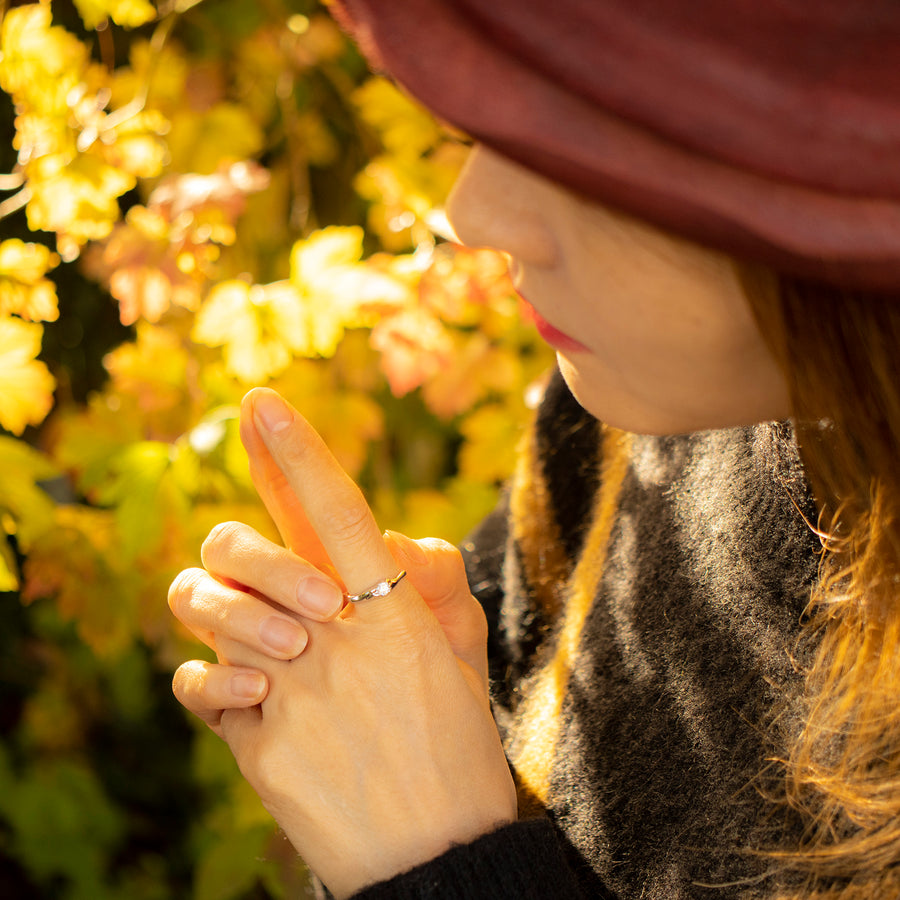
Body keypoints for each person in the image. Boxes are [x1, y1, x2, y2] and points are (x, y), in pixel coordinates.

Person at [167, 2, 900, 898]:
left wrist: (437, 863)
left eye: (592, 158)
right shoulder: (648, 421)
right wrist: (419, 736)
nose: (470, 211)